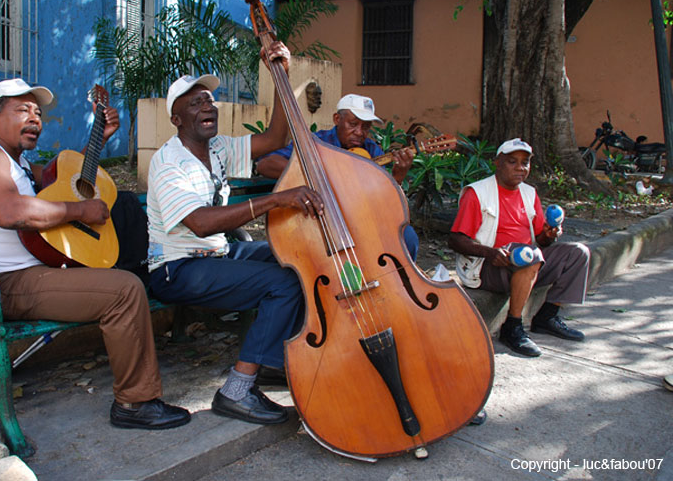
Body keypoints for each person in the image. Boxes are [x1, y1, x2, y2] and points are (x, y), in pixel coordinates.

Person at [0, 78, 190, 430]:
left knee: (127, 258)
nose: (34, 119)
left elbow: (63, 181)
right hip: (6, 284)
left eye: (37, 113)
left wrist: (99, 139)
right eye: (22, 111)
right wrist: (79, 213)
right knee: (123, 291)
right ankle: (135, 403)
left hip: (36, 274)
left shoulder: (16, 164)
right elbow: (9, 212)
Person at [146, 42, 324, 425]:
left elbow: (276, 138)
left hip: (218, 254)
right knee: (283, 284)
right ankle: (237, 390)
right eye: (195, 104)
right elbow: (201, 222)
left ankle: (274, 362)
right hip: (177, 268)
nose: (207, 108)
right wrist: (276, 202)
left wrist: (280, 73)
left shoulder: (220, 148)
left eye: (210, 101)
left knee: (296, 259)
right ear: (176, 119)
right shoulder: (168, 161)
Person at [448, 138, 590, 357]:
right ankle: (512, 327)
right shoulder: (477, 193)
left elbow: (541, 241)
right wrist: (491, 252)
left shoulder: (529, 193)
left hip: (526, 262)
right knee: (530, 255)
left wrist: (549, 234)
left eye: (525, 163)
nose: (520, 168)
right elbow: (455, 240)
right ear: (497, 162)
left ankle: (547, 317)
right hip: (489, 266)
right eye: (512, 161)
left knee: (578, 253)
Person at [255, 94, 420, 260]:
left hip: (359, 220)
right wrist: (324, 175)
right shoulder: (316, 143)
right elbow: (266, 164)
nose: (359, 132)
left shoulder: (371, 150)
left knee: (408, 238)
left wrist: (398, 176)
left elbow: (383, 200)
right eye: (353, 124)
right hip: (318, 221)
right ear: (337, 119)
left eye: (366, 127)